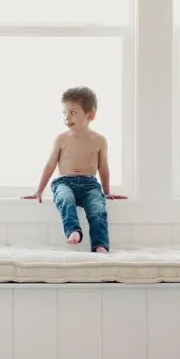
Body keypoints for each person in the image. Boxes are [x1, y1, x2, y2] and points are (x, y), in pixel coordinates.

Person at [23, 86, 124, 251]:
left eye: (73, 112)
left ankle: (100, 245)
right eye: (64, 112)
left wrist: (106, 192)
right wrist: (39, 191)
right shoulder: (61, 139)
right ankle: (73, 230)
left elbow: (104, 168)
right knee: (65, 199)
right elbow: (50, 165)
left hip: (90, 184)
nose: (67, 117)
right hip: (65, 182)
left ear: (90, 115)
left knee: (97, 209)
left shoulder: (100, 140)